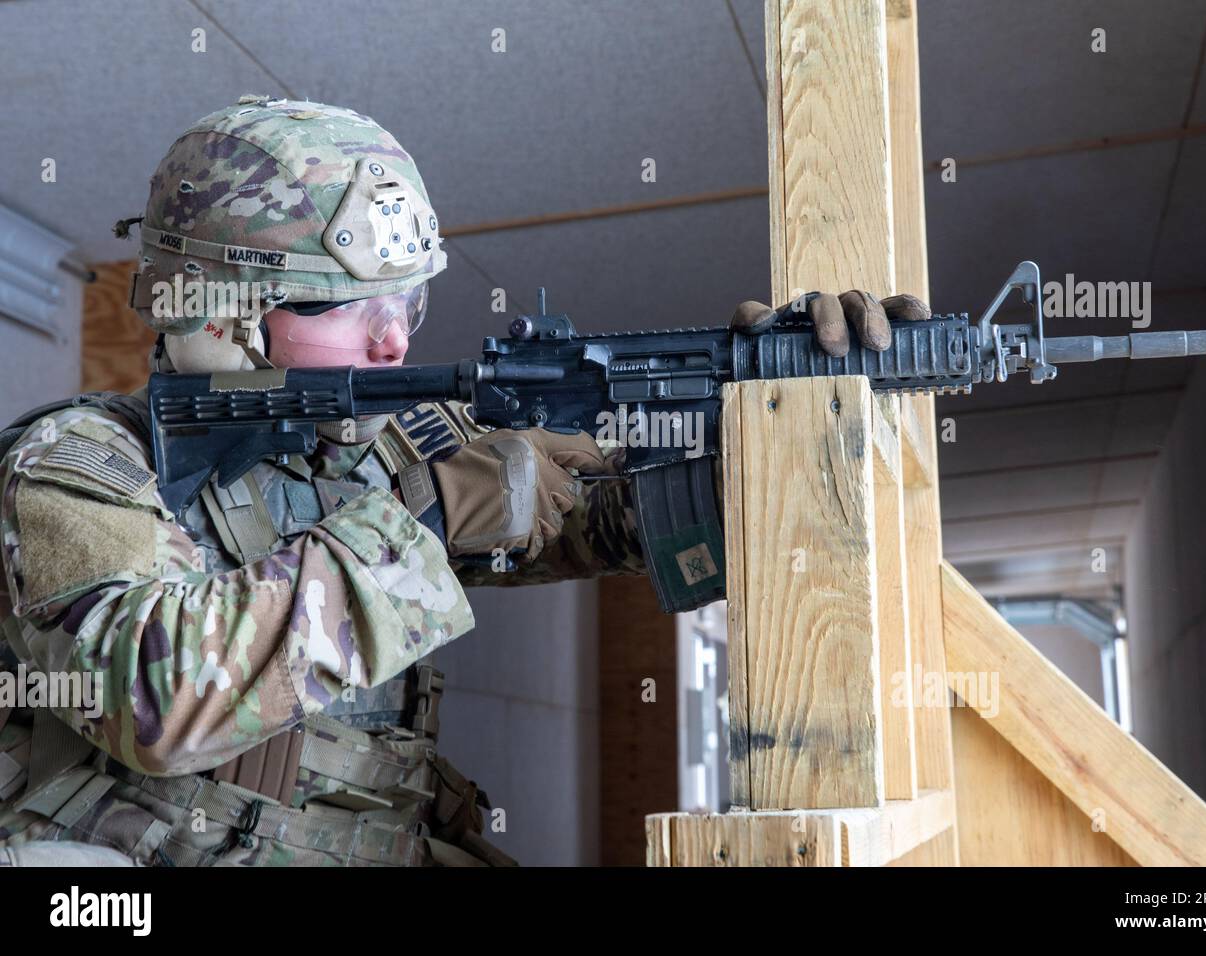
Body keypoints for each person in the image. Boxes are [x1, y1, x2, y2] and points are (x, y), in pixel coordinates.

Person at [0, 97, 926, 866]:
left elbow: (618, 519)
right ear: (217, 316)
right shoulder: (82, 463)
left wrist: (784, 416)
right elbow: (150, 700)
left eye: (406, 300)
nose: (392, 339)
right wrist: (428, 516)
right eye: (343, 306)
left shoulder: (380, 445)